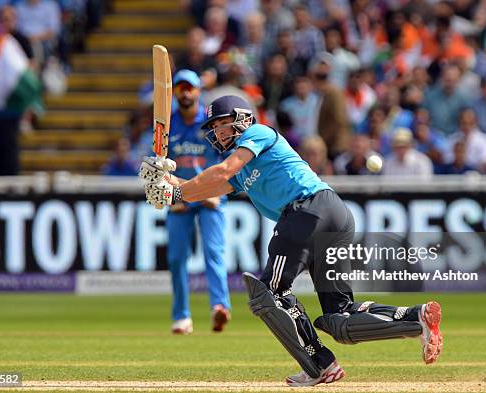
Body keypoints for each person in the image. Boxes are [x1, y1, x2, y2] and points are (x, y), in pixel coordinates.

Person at [139, 95, 443, 387]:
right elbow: (207, 187)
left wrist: (176, 192)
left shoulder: (258, 133)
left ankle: (320, 365)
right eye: (214, 128)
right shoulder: (241, 168)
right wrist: (164, 180)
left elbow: (222, 170)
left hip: (306, 211)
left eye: (222, 124)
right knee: (339, 315)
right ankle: (418, 319)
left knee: (269, 293)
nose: (217, 132)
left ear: (242, 119)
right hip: (333, 213)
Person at [152, 70, 231, 335]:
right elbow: (158, 166)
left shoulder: (210, 123)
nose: (186, 93)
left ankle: (220, 307)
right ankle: (182, 317)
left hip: (210, 195)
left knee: (213, 252)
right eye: (181, 88)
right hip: (180, 197)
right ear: (175, 93)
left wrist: (217, 192)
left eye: (190, 88)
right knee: (176, 258)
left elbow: (228, 159)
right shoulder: (167, 125)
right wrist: (170, 194)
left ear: (198, 91)